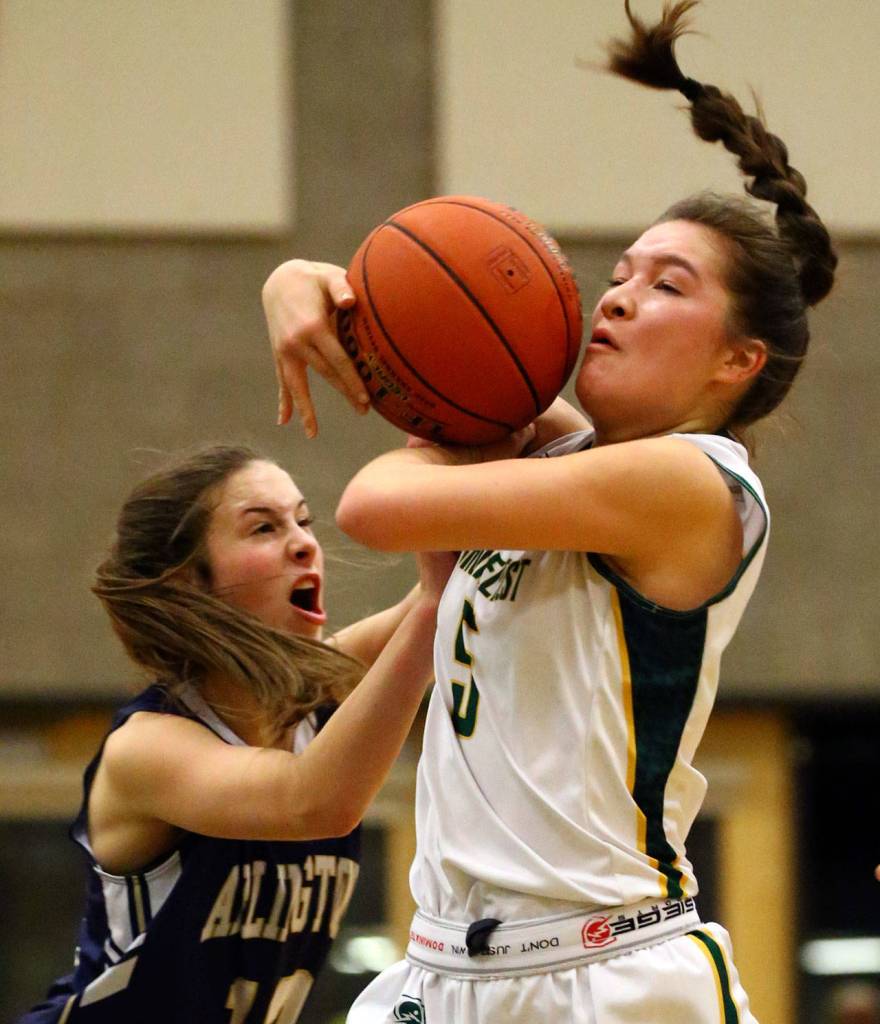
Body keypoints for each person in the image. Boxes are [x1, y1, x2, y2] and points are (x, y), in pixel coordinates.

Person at [261, 3, 837, 1020]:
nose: (613, 298)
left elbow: (378, 502)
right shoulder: (565, 461)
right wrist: (300, 284)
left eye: (667, 286)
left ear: (737, 361)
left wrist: (392, 358)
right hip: (443, 970)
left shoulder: (691, 483)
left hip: (602, 978)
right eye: (616, 275)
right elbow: (457, 482)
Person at [17, 444, 451, 1024]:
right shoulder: (147, 746)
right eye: (263, 528)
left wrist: (463, 435)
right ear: (187, 583)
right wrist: (431, 609)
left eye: (303, 520)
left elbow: (447, 590)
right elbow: (312, 801)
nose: (303, 543)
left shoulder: (315, 693)